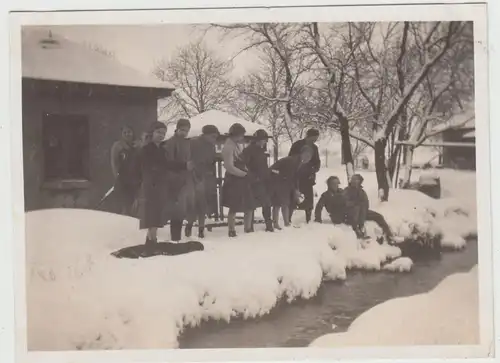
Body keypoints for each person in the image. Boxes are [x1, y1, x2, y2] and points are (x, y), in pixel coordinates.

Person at [137, 121, 192, 246]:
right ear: (152, 133)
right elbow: (150, 167)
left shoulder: (161, 148)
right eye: (158, 132)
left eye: (163, 133)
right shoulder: (146, 149)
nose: (161, 135)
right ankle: (151, 240)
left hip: (160, 184)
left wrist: (184, 165)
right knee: (152, 213)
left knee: (157, 212)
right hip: (151, 184)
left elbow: (167, 164)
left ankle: (151, 238)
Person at [163, 118, 196, 242]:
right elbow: (168, 163)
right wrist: (184, 165)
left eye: (187, 130)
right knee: (176, 209)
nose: (184, 133)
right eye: (182, 130)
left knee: (184, 209)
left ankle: (181, 236)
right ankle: (175, 237)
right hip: (174, 180)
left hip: (186, 180)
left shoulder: (187, 143)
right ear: (177, 128)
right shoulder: (170, 143)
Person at [185, 124, 220, 239]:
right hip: (193, 177)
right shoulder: (193, 142)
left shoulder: (211, 146)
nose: (214, 139)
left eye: (215, 137)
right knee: (193, 204)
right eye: (212, 136)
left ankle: (201, 228)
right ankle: (189, 226)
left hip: (206, 177)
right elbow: (189, 159)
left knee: (203, 204)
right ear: (205, 135)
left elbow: (210, 160)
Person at [269, 145, 313, 230]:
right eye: (306, 155)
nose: (308, 158)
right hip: (278, 181)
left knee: (285, 203)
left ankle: (286, 223)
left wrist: (296, 189)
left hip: (285, 183)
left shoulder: (300, 163)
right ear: (302, 153)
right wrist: (279, 176)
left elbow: (295, 177)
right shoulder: (292, 161)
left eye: (309, 157)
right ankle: (276, 224)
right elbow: (272, 169)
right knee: (277, 204)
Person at [221, 123, 254, 237]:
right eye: (241, 135)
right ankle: (231, 229)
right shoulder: (228, 146)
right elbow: (229, 166)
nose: (242, 138)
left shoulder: (236, 145)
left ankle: (248, 227)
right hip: (234, 179)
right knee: (234, 205)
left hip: (241, 177)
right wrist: (243, 174)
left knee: (248, 203)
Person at [343, 174, 395, 242]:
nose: (354, 181)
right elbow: (344, 203)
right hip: (352, 213)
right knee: (357, 210)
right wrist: (355, 204)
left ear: (360, 182)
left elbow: (366, 204)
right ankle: (358, 232)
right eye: (353, 179)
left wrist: (363, 208)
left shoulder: (362, 192)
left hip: (363, 212)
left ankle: (389, 234)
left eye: (356, 180)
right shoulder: (347, 191)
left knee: (379, 216)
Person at [241, 129, 274, 232]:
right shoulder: (248, 150)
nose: (265, 142)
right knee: (255, 203)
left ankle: (268, 224)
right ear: (259, 139)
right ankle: (250, 227)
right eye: (264, 139)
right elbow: (244, 165)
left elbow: (263, 166)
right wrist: (253, 177)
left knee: (266, 202)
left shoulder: (261, 150)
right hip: (254, 181)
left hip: (263, 180)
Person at [288, 128, 321, 224]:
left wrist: (314, 169)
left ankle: (308, 218)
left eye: (316, 138)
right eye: (313, 138)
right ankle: (289, 218)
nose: (314, 140)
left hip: (308, 176)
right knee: (293, 197)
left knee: (308, 198)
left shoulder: (315, 148)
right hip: (296, 175)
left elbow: (317, 162)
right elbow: (290, 158)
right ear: (308, 136)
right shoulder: (297, 145)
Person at [110, 125, 141, 216]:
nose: (127, 134)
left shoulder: (138, 146)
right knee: (124, 206)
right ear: (122, 134)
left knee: (136, 206)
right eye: (125, 132)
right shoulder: (117, 146)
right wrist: (117, 176)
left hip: (136, 180)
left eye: (129, 132)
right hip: (123, 180)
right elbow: (114, 162)